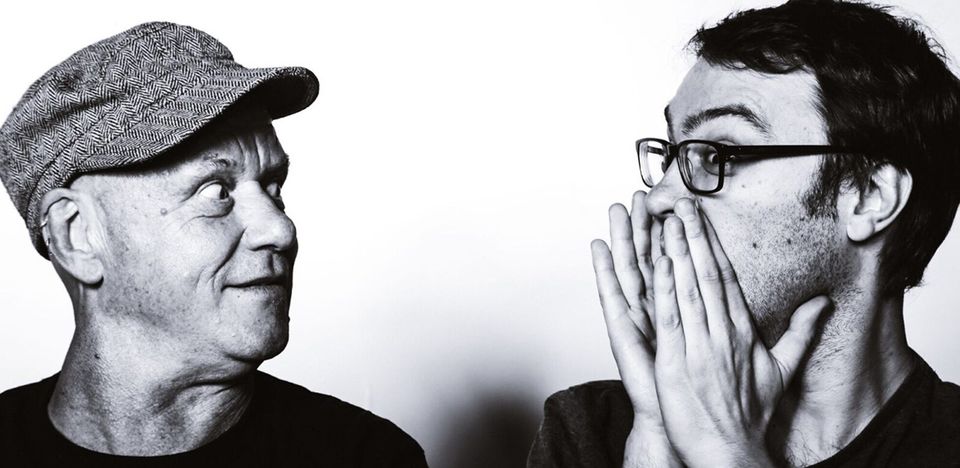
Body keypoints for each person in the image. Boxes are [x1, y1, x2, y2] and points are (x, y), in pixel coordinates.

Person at [529, 0, 960, 466]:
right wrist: (658, 436)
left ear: (869, 196)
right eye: (672, 153)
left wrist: (724, 452)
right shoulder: (592, 433)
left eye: (719, 154)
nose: (659, 197)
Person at [0, 22, 427, 467]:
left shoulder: (365, 456)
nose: (280, 230)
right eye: (216, 191)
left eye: (273, 187)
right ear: (76, 235)